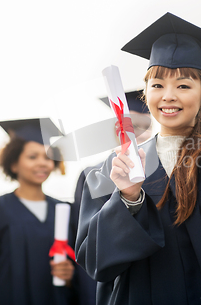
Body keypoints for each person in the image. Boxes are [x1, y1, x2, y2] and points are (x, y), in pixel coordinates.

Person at [75, 12, 201, 304]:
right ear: (145, 93)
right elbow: (95, 262)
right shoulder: (117, 167)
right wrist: (129, 198)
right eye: (157, 85)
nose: (168, 96)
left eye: (183, 85)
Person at [0, 118, 78, 305]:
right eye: (32, 157)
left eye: (48, 157)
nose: (43, 163)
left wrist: (69, 277)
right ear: (14, 163)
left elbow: (82, 271)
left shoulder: (65, 211)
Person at [72, 90, 152, 305]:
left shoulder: (165, 169)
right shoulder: (94, 175)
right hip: (115, 282)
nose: (135, 133)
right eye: (129, 126)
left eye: (143, 126)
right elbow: (86, 240)